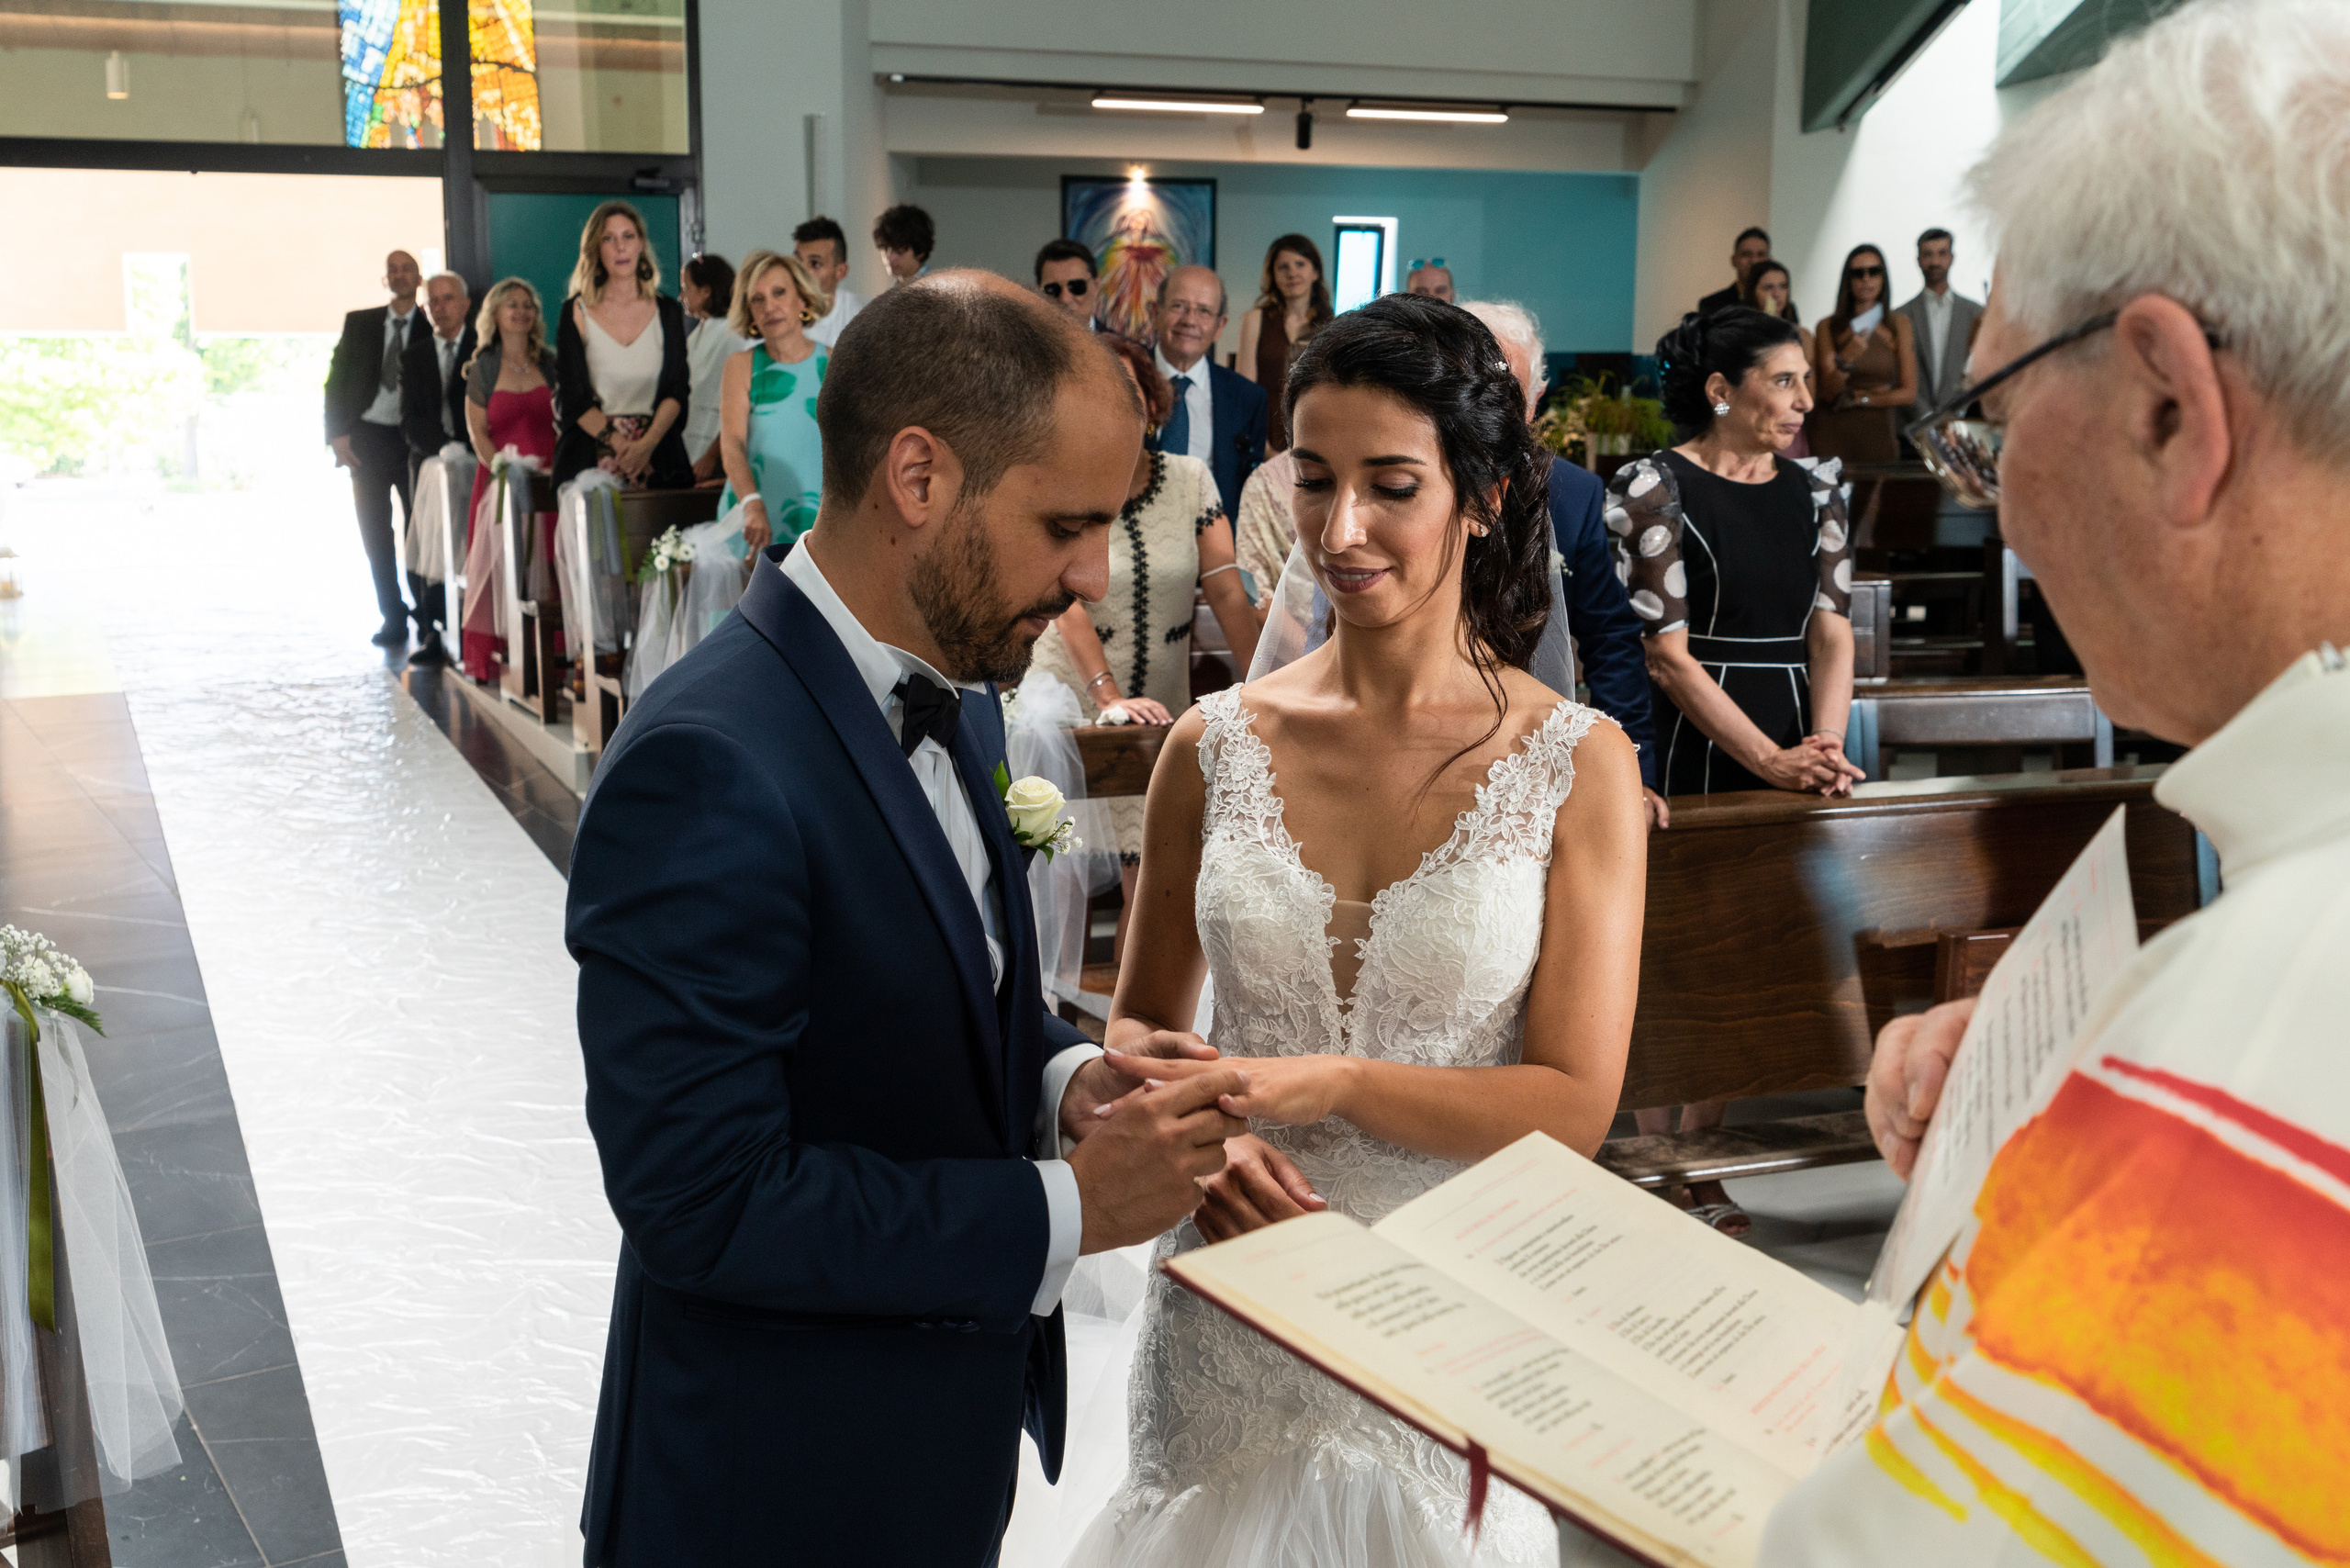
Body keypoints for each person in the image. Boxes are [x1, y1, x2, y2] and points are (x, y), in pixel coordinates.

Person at [1772, 3, 2350, 1562]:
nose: (2002, 502)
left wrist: (2142, 1116)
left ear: (2169, 406)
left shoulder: (2270, 1015)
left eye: (1994, 422)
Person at [566, 270, 1251, 1568]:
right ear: (920, 478)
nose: (1096, 579)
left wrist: (1066, 1079)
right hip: (766, 1491)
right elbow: (703, 1203)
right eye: (1067, 525)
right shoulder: (709, 760)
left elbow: (940, 984)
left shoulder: (961, 691)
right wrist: (1069, 1209)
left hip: (928, 1457)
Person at [1059, 291, 1647, 1568]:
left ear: (1482, 494)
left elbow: (1573, 1101)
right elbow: (1147, 1025)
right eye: (1316, 480)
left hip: (1448, 1306)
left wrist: (1330, 1082)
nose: (1341, 530)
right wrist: (1202, 1157)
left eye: (1392, 485)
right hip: (1232, 1293)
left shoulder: (1575, 764)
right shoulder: (1215, 746)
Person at [1611, 307, 1864, 1234]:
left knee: (1750, 953)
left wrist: (1824, 747)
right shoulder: (1651, 486)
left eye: (1805, 379)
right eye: (1784, 380)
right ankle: (1661, 1162)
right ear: (1723, 390)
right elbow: (1666, 654)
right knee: (1674, 950)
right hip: (1696, 735)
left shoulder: (1818, 486)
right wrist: (1765, 761)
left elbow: (1831, 627)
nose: (1805, 397)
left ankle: (1703, 1156)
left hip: (1799, 723)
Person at [1021, 333, 1260, 953]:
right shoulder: (1057, 481)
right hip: (1070, 700)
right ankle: (1048, 1027)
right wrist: (1107, 696)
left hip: (1160, 711)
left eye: (1129, 387)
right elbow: (1063, 595)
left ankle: (1128, 1034)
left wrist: (1269, 688)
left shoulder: (1190, 480)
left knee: (1151, 882)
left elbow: (1228, 592)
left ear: (1153, 401)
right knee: (1058, 873)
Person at [1463, 297, 1667, 826]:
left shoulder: (1573, 494)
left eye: (1511, 392)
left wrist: (1634, 774)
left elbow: (1611, 640)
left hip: (1533, 738)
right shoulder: (1412, 482)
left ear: (1535, 402)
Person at [323, 247, 426, 646]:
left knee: (419, 530)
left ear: (419, 278)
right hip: (365, 438)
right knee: (375, 533)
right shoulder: (360, 323)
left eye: (408, 269)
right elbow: (335, 380)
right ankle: (393, 618)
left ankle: (429, 616)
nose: (400, 275)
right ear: (387, 279)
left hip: (412, 441)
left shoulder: (431, 326)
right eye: (393, 270)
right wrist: (336, 435)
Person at [459, 277, 560, 684]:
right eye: (511, 305)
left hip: (549, 478)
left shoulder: (549, 363)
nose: (520, 312)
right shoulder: (482, 368)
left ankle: (553, 654)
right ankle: (505, 653)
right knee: (505, 568)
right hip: (501, 482)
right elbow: (478, 432)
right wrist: (499, 468)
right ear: (495, 314)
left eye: (527, 305)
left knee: (551, 567)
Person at [554, 200, 693, 488]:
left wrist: (646, 444)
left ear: (641, 244)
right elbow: (573, 398)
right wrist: (619, 444)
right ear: (596, 248)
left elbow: (677, 389)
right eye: (609, 238)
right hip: (590, 459)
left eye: (628, 237)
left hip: (659, 456)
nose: (620, 247)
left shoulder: (667, 311)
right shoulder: (576, 311)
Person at [715, 249, 830, 554]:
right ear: (750, 312)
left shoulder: (834, 362)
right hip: (753, 516)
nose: (770, 306)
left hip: (819, 518)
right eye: (758, 299)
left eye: (779, 293)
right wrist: (752, 504)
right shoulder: (740, 365)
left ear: (803, 299)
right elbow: (732, 445)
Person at [1147, 264, 1267, 522]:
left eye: (1204, 311)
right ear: (1156, 312)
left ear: (1219, 326)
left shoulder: (1248, 399)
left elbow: (1247, 494)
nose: (1190, 320)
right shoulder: (1121, 380)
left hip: (1213, 549)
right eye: (1178, 306)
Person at [397, 269, 475, 666]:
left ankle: (471, 625)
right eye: (433, 301)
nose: (440, 307)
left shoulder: (482, 348)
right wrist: (444, 449)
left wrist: (468, 448)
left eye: (448, 299)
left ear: (465, 304)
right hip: (428, 461)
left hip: (477, 459)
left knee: (468, 541)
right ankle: (432, 629)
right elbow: (410, 418)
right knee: (427, 543)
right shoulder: (415, 355)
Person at [1810, 243, 1919, 463]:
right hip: (1832, 432)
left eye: (1874, 271)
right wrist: (1847, 357)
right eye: (1858, 273)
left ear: (1883, 277)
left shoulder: (1899, 324)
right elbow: (1829, 393)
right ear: (1848, 281)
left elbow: (1908, 393)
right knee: (1830, 497)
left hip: (1878, 433)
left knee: (1877, 496)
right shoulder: (1828, 326)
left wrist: (1863, 399)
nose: (1866, 279)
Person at [1235, 233, 1332, 452]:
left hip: (1315, 428)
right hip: (1263, 429)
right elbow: (1245, 392)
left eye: (1300, 264)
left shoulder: (1332, 325)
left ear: (1315, 272)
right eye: (1283, 267)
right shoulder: (1254, 319)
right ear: (1273, 275)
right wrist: (1263, 446)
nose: (1292, 273)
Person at [1894, 227, 1984, 412]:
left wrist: (1958, 412)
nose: (1935, 262)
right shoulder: (1899, 316)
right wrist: (1924, 415)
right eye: (1928, 255)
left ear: (1952, 258)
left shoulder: (1975, 313)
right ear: (1918, 260)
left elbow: (1978, 370)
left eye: (1942, 253)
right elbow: (1896, 374)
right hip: (1910, 426)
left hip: (1961, 422)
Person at [678, 252, 745, 482]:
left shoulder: (734, 336)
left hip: (718, 456)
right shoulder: (696, 334)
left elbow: (739, 404)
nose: (681, 296)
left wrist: (710, 456)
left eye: (686, 287)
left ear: (706, 291)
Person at [795, 216, 866, 345]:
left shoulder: (864, 315)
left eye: (815, 264)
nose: (801, 272)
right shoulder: (776, 315)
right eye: (797, 262)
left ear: (841, 272)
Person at [1699, 225, 1773, 315]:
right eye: (1746, 254)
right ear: (1734, 260)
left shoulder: (1782, 306)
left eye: (1761, 255)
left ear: (1769, 261)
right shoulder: (1712, 305)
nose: (1754, 261)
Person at [1033, 237, 1100, 329]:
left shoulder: (1118, 342)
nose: (1064, 299)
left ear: (1096, 286)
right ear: (1039, 293)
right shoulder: (1024, 342)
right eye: (1052, 290)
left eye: (1076, 286)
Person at [872, 202, 934, 287]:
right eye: (885, 249)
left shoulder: (931, 289)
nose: (889, 257)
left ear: (920, 251)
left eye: (899, 250)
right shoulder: (896, 288)